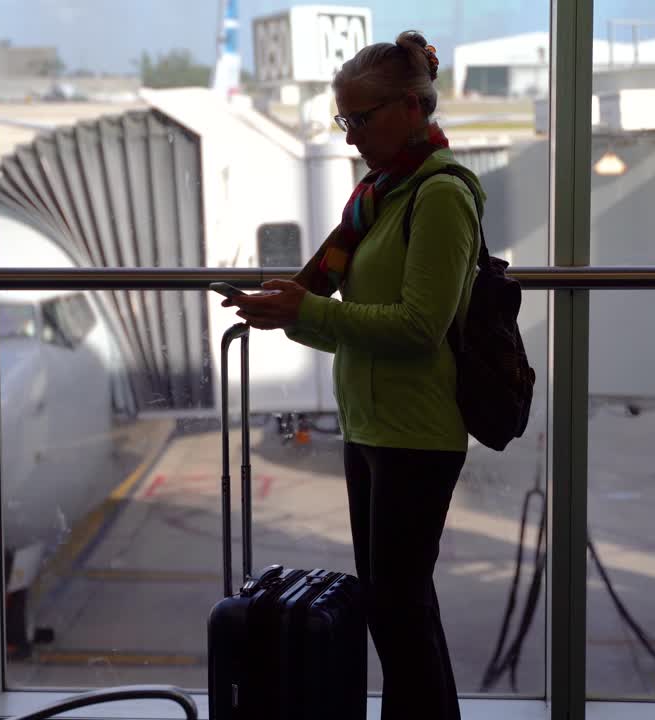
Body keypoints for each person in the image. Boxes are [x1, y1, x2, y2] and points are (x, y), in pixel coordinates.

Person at [225, 29, 481, 720]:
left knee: (399, 614)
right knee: (398, 610)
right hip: (371, 424)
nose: (349, 137)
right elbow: (360, 328)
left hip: (416, 431)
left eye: (360, 120)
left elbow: (417, 329)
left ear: (409, 107)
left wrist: (310, 309)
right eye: (345, 120)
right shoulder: (380, 195)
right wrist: (289, 314)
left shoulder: (440, 196)